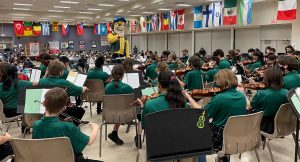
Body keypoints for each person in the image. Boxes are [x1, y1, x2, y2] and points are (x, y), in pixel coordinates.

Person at [184, 69, 247, 162]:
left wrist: (189, 97)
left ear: (221, 81)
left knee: (194, 129)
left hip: (219, 138)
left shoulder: (219, 98)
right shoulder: (242, 96)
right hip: (238, 135)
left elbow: (202, 114)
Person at [32, 88, 100, 162]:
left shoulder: (36, 125)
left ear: (44, 103)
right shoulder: (68, 126)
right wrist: (95, 128)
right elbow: (89, 141)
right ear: (64, 108)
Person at [248, 67, 288, 134]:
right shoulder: (287, 92)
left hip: (265, 126)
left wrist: (245, 98)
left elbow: (250, 106)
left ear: (267, 79)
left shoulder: (262, 93)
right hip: (282, 125)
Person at [105, 65, 134, 145]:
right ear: (123, 75)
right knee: (139, 108)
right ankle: (138, 135)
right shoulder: (128, 87)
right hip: (127, 116)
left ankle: (114, 133)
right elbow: (134, 101)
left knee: (117, 108)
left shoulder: (107, 87)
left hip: (111, 115)